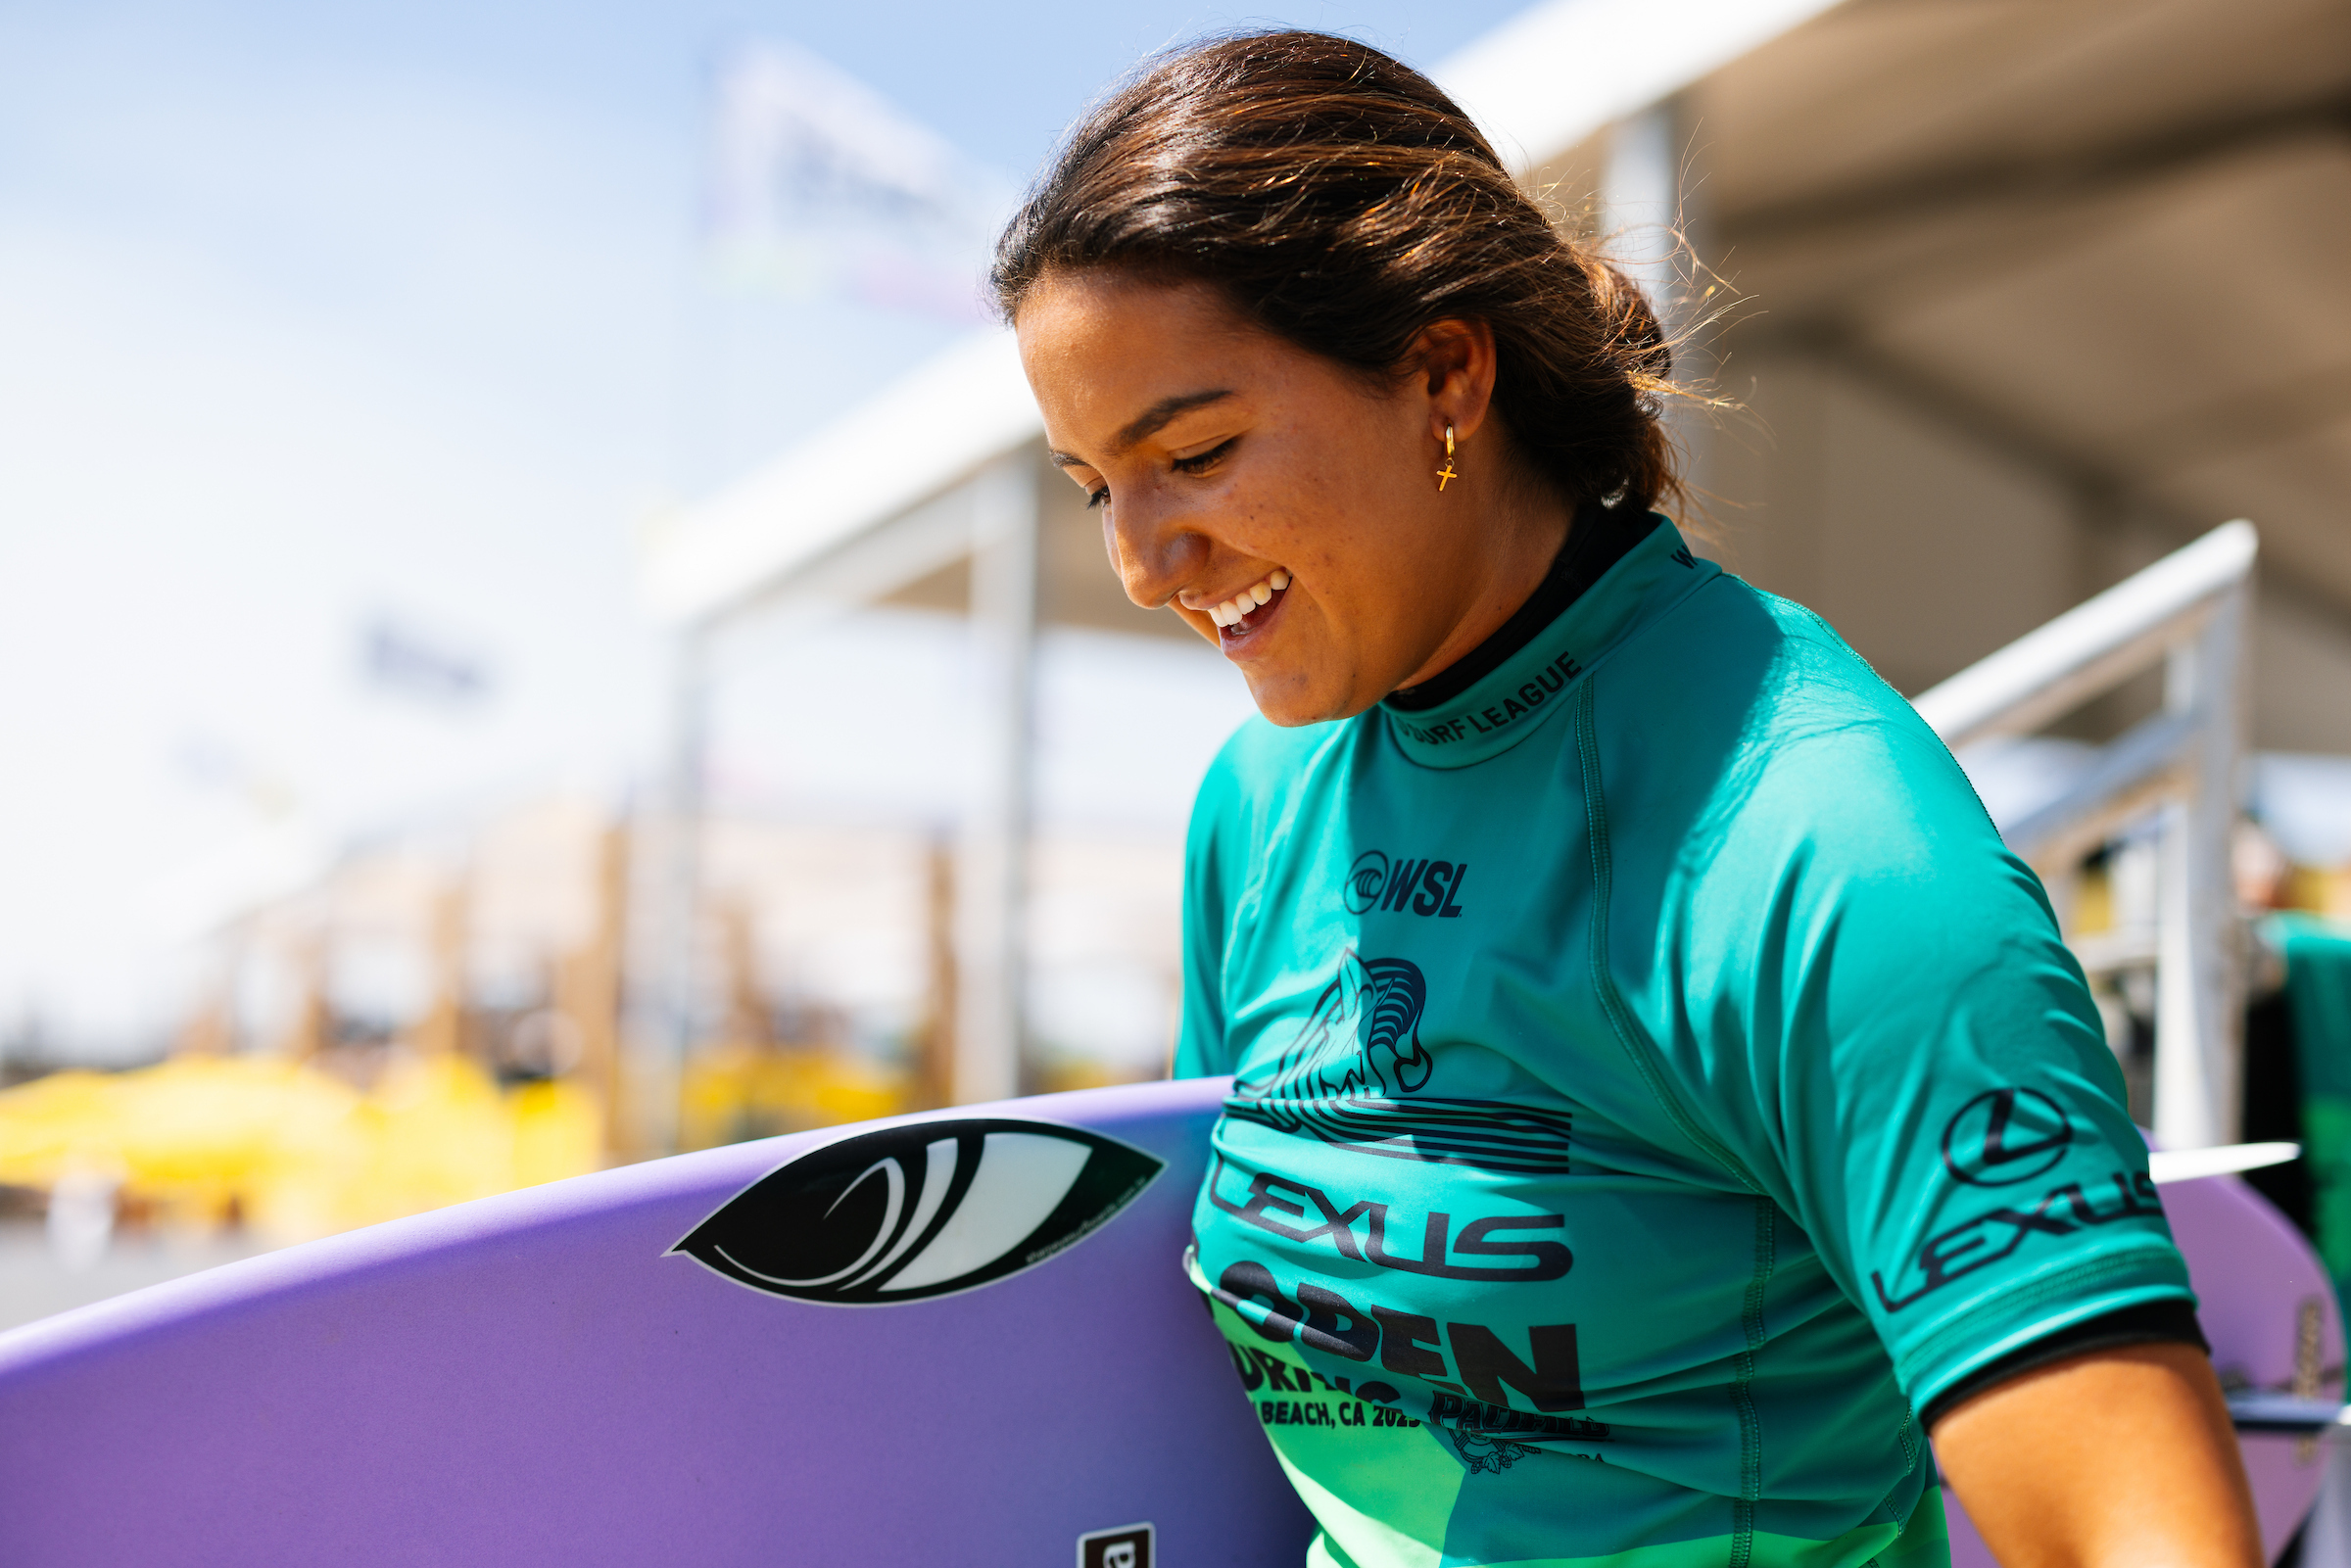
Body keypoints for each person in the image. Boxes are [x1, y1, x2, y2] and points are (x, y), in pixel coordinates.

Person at [994, 31, 2263, 1568]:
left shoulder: (1819, 848)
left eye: (1191, 451)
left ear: (1445, 375)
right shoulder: (1260, 803)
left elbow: (2147, 1536)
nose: (1137, 562)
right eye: (1092, 485)